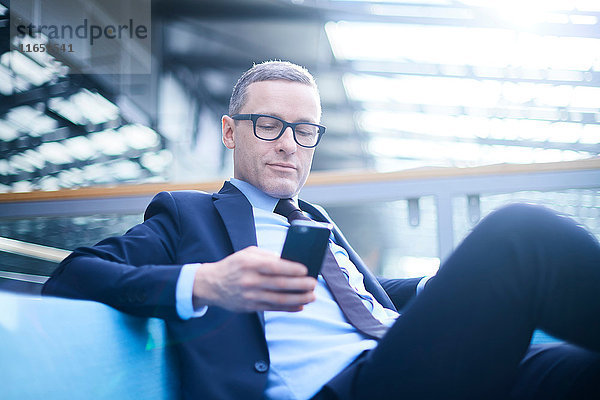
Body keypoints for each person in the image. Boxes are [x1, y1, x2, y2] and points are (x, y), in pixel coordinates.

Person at [43, 60, 600, 400]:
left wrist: (444, 288)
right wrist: (207, 283)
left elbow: (362, 297)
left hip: (409, 359)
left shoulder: (314, 222)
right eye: (269, 125)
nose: (288, 143)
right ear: (231, 132)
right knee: (520, 234)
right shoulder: (190, 217)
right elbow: (72, 275)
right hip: (354, 388)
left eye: (304, 129)